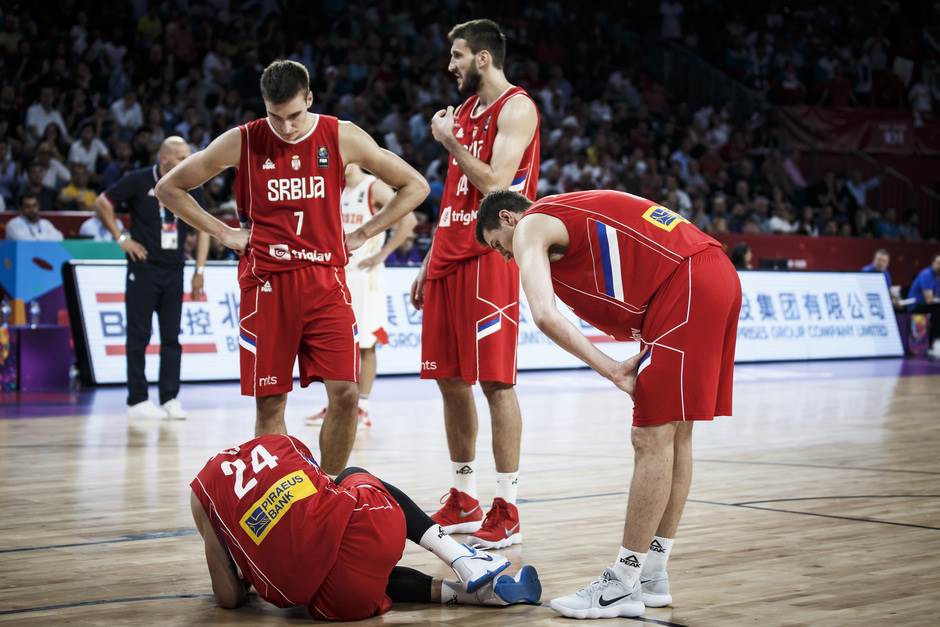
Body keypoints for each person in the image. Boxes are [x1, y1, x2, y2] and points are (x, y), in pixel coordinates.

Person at [155, 60, 429, 475]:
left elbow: (416, 186)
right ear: (264, 107)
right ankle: (281, 502)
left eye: (295, 116)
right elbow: (168, 187)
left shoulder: (341, 135)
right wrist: (226, 233)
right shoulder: (242, 141)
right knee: (270, 402)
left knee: (346, 394)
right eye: (275, 116)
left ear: (310, 99)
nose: (285, 128)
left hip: (326, 281)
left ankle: (330, 489)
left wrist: (361, 235)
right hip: (267, 284)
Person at [476, 190, 741, 619]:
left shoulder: (530, 225)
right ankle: (652, 573)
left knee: (650, 437)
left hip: (686, 284)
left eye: (496, 245)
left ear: (507, 218)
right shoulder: (568, 210)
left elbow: (542, 314)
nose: (506, 257)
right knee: (677, 433)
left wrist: (611, 368)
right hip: (710, 274)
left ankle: (620, 583)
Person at [410, 19, 540, 549]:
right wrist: (429, 259)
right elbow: (455, 192)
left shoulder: (517, 107)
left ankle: (506, 506)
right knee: (449, 379)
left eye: (458, 56)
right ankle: (464, 497)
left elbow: (496, 184)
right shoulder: (463, 112)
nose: (451, 65)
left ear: (483, 58)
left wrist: (449, 141)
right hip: (449, 254)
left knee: (495, 382)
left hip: (492, 252)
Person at [190, 433, 541, 620]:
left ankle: (473, 595)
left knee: (342, 572)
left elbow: (229, 599)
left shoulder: (202, 492)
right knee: (352, 479)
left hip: (338, 605)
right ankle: (459, 555)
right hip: (378, 529)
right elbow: (324, 488)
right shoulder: (280, 444)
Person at [94, 136, 209, 420]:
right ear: (165, 159)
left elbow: (205, 227)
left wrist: (200, 270)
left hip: (175, 269)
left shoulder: (190, 185)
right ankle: (137, 399)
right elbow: (102, 203)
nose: (187, 162)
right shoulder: (138, 180)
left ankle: (170, 397)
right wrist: (122, 238)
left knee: (172, 337)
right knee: (139, 335)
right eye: (182, 158)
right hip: (143, 268)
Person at [307, 163, 417, 428]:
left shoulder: (373, 186)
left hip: (366, 277)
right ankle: (338, 405)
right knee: (338, 344)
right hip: (337, 275)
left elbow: (409, 220)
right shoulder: (335, 190)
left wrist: (383, 254)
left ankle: (363, 406)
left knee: (366, 342)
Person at [907, 254, 940, 354]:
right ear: (933, 263)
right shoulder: (926, 274)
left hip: (928, 306)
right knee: (938, 309)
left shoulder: (938, 277)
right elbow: (929, 299)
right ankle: (934, 344)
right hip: (915, 305)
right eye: (938, 263)